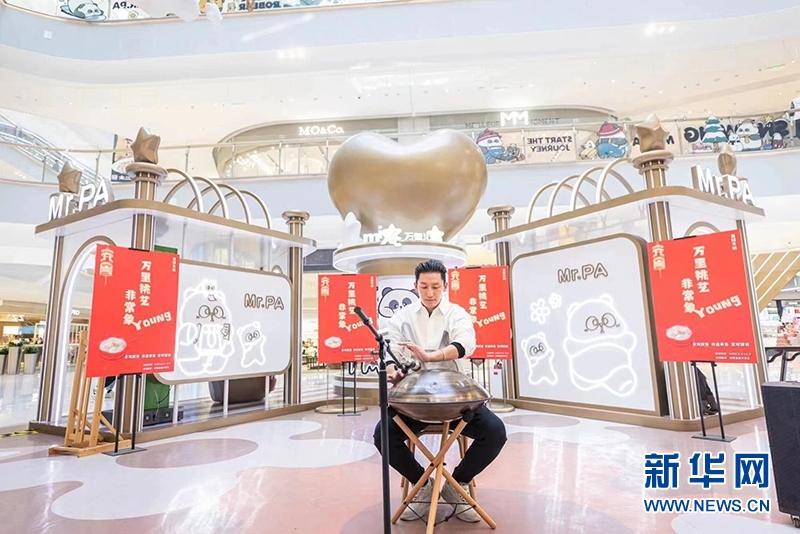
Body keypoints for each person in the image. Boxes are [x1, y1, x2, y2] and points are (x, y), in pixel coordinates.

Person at [373, 259, 507, 523]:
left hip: (457, 403)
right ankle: (422, 485)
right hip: (414, 403)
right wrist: (392, 369)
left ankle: (457, 485)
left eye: (435, 286)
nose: (430, 293)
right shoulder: (402, 317)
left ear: (445, 286)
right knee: (383, 435)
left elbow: (465, 343)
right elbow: (390, 350)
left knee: (495, 433)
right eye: (424, 286)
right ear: (415, 286)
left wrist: (432, 356)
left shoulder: (457, 313)